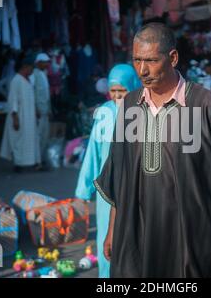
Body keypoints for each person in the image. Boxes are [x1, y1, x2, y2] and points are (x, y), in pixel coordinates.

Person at [95, 23, 211, 277]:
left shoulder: (203, 103)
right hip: (138, 235)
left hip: (192, 235)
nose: (142, 70)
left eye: (151, 60)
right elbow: (119, 178)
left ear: (173, 58)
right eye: (137, 60)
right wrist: (113, 229)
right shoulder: (130, 106)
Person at [75, 64, 141, 278]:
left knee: (137, 234)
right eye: (113, 91)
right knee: (107, 233)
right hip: (108, 188)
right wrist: (83, 191)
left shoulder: (144, 111)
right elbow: (93, 152)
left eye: (122, 91)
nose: (117, 96)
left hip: (138, 186)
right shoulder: (104, 113)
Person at [0, 55, 41, 172]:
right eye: (31, 68)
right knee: (19, 141)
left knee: (29, 140)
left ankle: (31, 163)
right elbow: (13, 100)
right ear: (25, 67)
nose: (32, 70)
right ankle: (18, 164)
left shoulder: (29, 80)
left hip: (29, 117)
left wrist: (35, 110)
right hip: (20, 116)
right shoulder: (16, 80)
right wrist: (15, 118)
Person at [33, 53, 52, 165]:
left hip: (45, 109)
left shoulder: (43, 74)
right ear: (39, 62)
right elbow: (34, 92)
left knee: (45, 135)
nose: (46, 64)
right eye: (44, 62)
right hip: (39, 110)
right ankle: (37, 160)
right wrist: (35, 109)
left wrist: (49, 109)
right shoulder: (34, 75)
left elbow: (46, 94)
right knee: (39, 135)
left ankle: (41, 158)